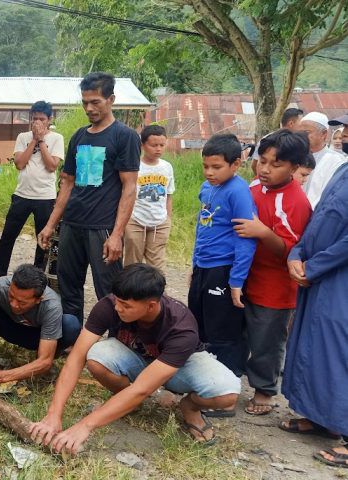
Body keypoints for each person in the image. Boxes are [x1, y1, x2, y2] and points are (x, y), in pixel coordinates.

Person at [28, 264, 241, 452]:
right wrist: (53, 415)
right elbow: (76, 359)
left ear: (151, 305)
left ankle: (190, 407)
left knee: (227, 393)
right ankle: (127, 402)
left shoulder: (181, 327)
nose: (118, 308)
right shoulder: (110, 305)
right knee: (95, 357)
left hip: (179, 366)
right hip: (137, 359)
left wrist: (85, 425)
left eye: (126, 305)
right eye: (118, 301)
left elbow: (143, 388)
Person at [38, 73, 141, 325]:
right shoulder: (79, 136)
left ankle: (116, 341)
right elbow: (67, 183)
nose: (89, 108)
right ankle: (73, 338)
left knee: (108, 290)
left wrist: (117, 234)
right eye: (85, 102)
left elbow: (129, 187)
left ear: (111, 99)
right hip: (73, 224)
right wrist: (51, 224)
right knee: (68, 285)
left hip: (102, 227)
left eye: (96, 102)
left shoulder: (124, 136)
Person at [232, 130, 311, 416]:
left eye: (275, 165)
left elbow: (294, 251)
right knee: (237, 332)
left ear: (294, 167)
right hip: (245, 278)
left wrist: (263, 233)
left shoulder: (297, 202)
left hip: (276, 287)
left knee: (267, 340)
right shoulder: (253, 188)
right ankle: (230, 381)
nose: (265, 169)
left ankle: (265, 390)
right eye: (262, 161)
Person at [280, 162, 348, 468]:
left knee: (339, 348)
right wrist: (297, 253)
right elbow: (319, 218)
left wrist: (314, 265)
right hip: (315, 273)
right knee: (314, 344)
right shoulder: (342, 170)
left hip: (337, 275)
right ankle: (323, 418)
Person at [187, 133, 256, 385]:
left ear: (236, 164)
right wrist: (195, 264)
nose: (209, 172)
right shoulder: (207, 188)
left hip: (223, 269)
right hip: (203, 267)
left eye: (216, 167)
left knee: (224, 330)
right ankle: (204, 379)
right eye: (206, 166)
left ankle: (227, 387)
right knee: (199, 323)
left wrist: (237, 280)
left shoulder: (238, 191)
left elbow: (246, 239)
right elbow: (202, 227)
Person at [0, 264, 81, 385]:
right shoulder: (1, 285)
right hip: (5, 325)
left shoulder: (51, 306)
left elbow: (45, 361)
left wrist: (1, 376)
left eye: (22, 303)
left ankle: (40, 370)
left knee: (70, 325)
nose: (13, 304)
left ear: (39, 299)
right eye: (11, 296)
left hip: (35, 337)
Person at [0, 101, 64, 277]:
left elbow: (52, 166)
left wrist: (41, 141)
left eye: (42, 119)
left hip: (45, 197)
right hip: (22, 194)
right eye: (35, 119)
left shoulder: (57, 138)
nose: (38, 123)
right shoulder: (23, 137)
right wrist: (34, 140)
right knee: (8, 236)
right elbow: (19, 164)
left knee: (43, 239)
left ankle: (38, 274)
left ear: (50, 119)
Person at [123, 125, 175, 272]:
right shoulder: (135, 166)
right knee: (132, 264)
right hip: (135, 220)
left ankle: (156, 294)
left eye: (162, 145)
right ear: (143, 145)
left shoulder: (167, 167)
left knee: (157, 267)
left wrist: (168, 219)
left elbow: (168, 195)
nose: (158, 149)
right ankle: (130, 293)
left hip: (160, 222)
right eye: (154, 145)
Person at [296, 111, 346, 208]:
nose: (302, 136)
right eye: (300, 133)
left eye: (307, 132)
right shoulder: (294, 155)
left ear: (324, 134)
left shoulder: (336, 161)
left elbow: (328, 195)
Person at [249, 107, 304, 175]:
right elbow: (254, 165)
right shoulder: (268, 140)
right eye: (301, 124)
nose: (303, 128)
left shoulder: (299, 142)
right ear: (291, 123)